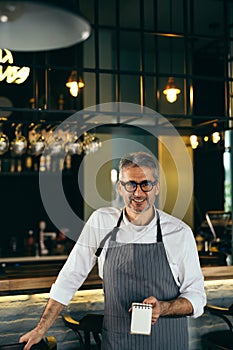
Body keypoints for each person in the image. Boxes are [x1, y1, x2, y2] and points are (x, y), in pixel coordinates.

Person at [20, 151, 206, 350]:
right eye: (130, 185)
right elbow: (70, 276)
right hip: (118, 342)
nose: (138, 193)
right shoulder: (102, 222)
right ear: (120, 187)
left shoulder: (179, 232)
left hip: (167, 342)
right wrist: (41, 328)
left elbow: (196, 298)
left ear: (157, 187)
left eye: (146, 184)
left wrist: (164, 307)